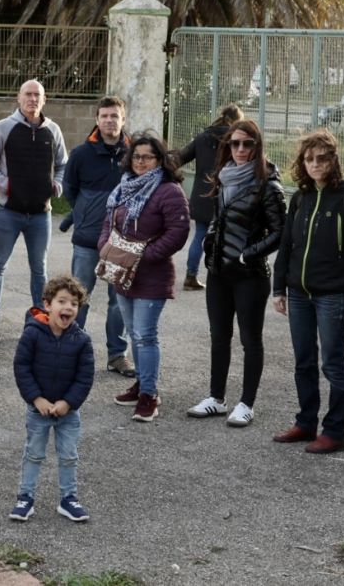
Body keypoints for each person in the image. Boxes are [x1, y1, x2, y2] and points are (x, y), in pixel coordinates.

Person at [272, 129, 344, 454]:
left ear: (333, 160)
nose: (315, 164)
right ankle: (305, 423)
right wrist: (278, 288)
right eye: (309, 159)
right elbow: (286, 246)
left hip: (332, 296)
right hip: (298, 294)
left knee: (333, 364)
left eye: (322, 158)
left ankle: (334, 431)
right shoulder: (299, 198)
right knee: (303, 361)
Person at [185, 119, 284, 428]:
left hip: (250, 275)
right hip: (218, 271)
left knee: (250, 339)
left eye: (247, 144)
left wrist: (247, 253)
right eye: (235, 144)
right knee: (219, 337)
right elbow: (219, 218)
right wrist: (210, 240)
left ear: (257, 147)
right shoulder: (224, 178)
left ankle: (246, 403)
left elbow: (280, 233)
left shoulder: (268, 184)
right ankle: (216, 398)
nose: (240, 150)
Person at [96, 134, 189, 422]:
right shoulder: (124, 187)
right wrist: (105, 249)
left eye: (147, 157)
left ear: (159, 160)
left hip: (151, 275)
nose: (140, 162)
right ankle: (142, 384)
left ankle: (149, 395)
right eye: (136, 156)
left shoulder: (168, 191)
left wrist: (144, 256)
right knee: (134, 332)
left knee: (146, 335)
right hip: (123, 274)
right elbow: (108, 223)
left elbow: (178, 232)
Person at [0, 80, 68, 344]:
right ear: (19, 98)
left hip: (41, 214)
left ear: (44, 99)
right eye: (27, 95)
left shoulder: (53, 129)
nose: (32, 99)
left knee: (39, 269)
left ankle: (38, 319)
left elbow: (63, 163)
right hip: (10, 211)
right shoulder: (4, 127)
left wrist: (58, 185)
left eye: (37, 95)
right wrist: (5, 184)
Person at [10, 273, 94, 524]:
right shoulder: (32, 333)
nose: (68, 307)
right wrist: (37, 399)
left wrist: (68, 403)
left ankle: (69, 499)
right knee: (33, 453)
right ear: (47, 304)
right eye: (62, 301)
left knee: (69, 455)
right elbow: (21, 368)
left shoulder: (82, 341)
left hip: (68, 412)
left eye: (74, 304)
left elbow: (85, 377)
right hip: (39, 409)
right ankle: (25, 497)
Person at [60, 97, 133, 377]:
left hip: (122, 242)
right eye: (104, 116)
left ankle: (117, 355)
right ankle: (71, 352)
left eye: (114, 116)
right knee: (78, 298)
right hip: (87, 240)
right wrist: (87, 212)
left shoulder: (135, 153)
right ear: (97, 119)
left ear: (123, 119)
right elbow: (70, 190)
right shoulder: (81, 154)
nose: (109, 121)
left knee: (119, 302)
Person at [175, 104, 244, 291]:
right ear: (237, 120)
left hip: (201, 195)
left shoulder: (202, 137)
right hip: (226, 194)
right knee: (228, 237)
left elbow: (179, 159)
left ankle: (191, 276)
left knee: (199, 235)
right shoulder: (235, 139)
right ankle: (223, 279)